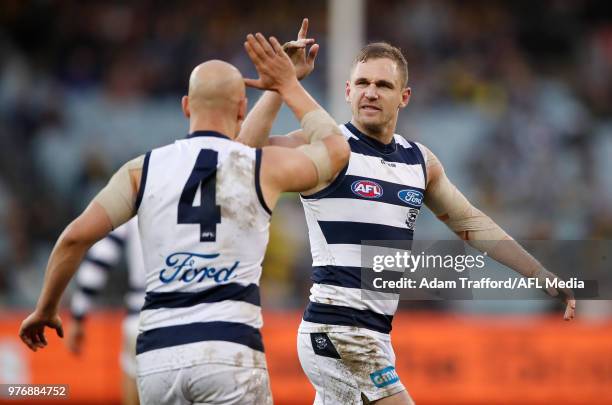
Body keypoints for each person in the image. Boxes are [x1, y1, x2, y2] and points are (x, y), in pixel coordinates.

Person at [238, 38, 577, 404]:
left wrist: (538, 272)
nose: (371, 93)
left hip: (375, 335)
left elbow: (472, 224)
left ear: (404, 96)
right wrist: (279, 85)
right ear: (348, 92)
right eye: (363, 84)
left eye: (383, 85)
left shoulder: (419, 161)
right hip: (339, 331)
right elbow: (242, 154)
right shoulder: (325, 147)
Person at [18, 32, 350, 405]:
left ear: (186, 106)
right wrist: (286, 86)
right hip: (230, 352)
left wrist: (45, 308)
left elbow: (74, 238)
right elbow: (337, 152)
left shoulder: (140, 171)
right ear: (241, 109)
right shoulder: (260, 168)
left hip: (159, 355)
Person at [67, 217, 144, 405]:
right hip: (206, 317)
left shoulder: (137, 195)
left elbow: (100, 259)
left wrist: (78, 315)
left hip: (143, 315)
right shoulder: (218, 193)